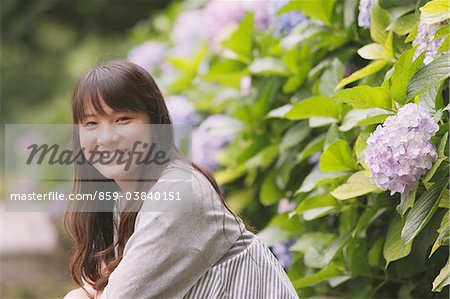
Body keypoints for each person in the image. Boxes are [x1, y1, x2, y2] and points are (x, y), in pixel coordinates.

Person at [63, 60, 298, 299]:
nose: (106, 138)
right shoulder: (121, 203)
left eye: (122, 119)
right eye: (91, 123)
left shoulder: (179, 193)